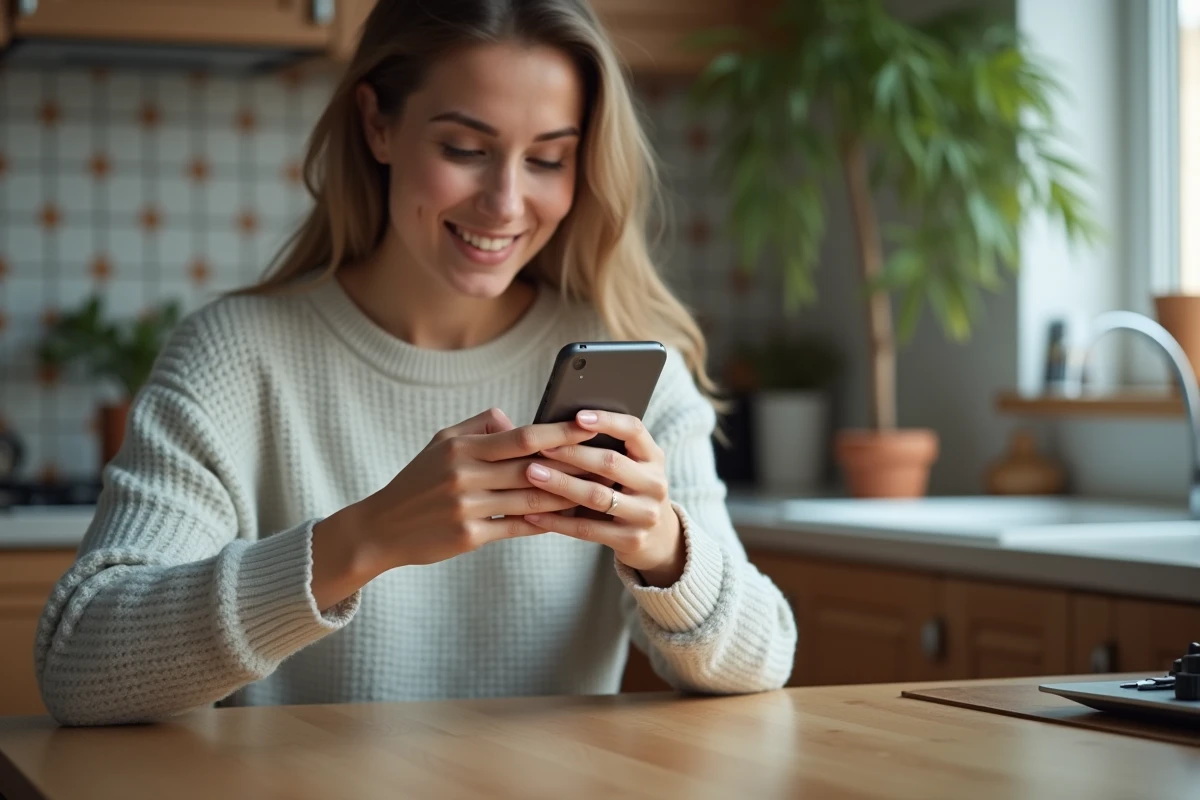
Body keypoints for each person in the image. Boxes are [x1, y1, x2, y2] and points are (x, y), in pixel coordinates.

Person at [34, 0, 797, 726]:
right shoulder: (235, 357)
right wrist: (365, 540)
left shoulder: (636, 368)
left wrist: (662, 546)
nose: (505, 202)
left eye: (548, 159)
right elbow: (78, 666)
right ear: (378, 125)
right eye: (465, 149)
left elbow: (763, 661)